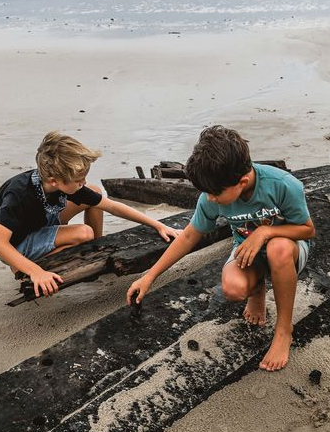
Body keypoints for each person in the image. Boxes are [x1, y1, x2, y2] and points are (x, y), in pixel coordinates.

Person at [127, 126, 314, 372]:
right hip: (248, 252)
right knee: (233, 288)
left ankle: (283, 331)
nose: (210, 199)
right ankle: (257, 291)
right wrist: (149, 276)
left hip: (289, 250)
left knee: (277, 248)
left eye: (215, 194)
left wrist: (265, 231)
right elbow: (189, 236)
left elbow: (307, 229)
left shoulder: (283, 185)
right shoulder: (210, 196)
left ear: (242, 181)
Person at [0, 131, 180, 298]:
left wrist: (157, 225)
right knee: (83, 233)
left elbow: (111, 206)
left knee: (93, 192)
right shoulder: (19, 195)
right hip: (17, 243)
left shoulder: (58, 182)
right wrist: (35, 271)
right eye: (79, 180)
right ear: (54, 181)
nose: (83, 182)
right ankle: (25, 266)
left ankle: (97, 246)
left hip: (40, 221)